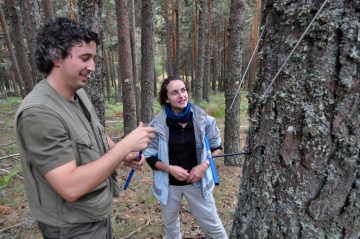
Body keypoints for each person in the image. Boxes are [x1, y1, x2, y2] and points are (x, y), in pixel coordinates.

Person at [14, 17, 156, 238]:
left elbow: (93, 132)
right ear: (56, 57)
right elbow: (70, 186)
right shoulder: (39, 113)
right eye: (84, 58)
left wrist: (123, 153)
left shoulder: (77, 91)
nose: (92, 67)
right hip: (71, 227)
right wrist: (124, 147)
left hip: (94, 213)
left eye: (93, 58)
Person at [144, 76, 228, 239]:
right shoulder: (157, 125)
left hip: (198, 183)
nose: (181, 95)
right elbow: (150, 156)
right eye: (174, 92)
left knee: (213, 226)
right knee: (171, 229)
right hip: (169, 186)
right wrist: (169, 169)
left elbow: (217, 149)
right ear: (166, 98)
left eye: (183, 90)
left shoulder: (204, 120)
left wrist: (204, 166)